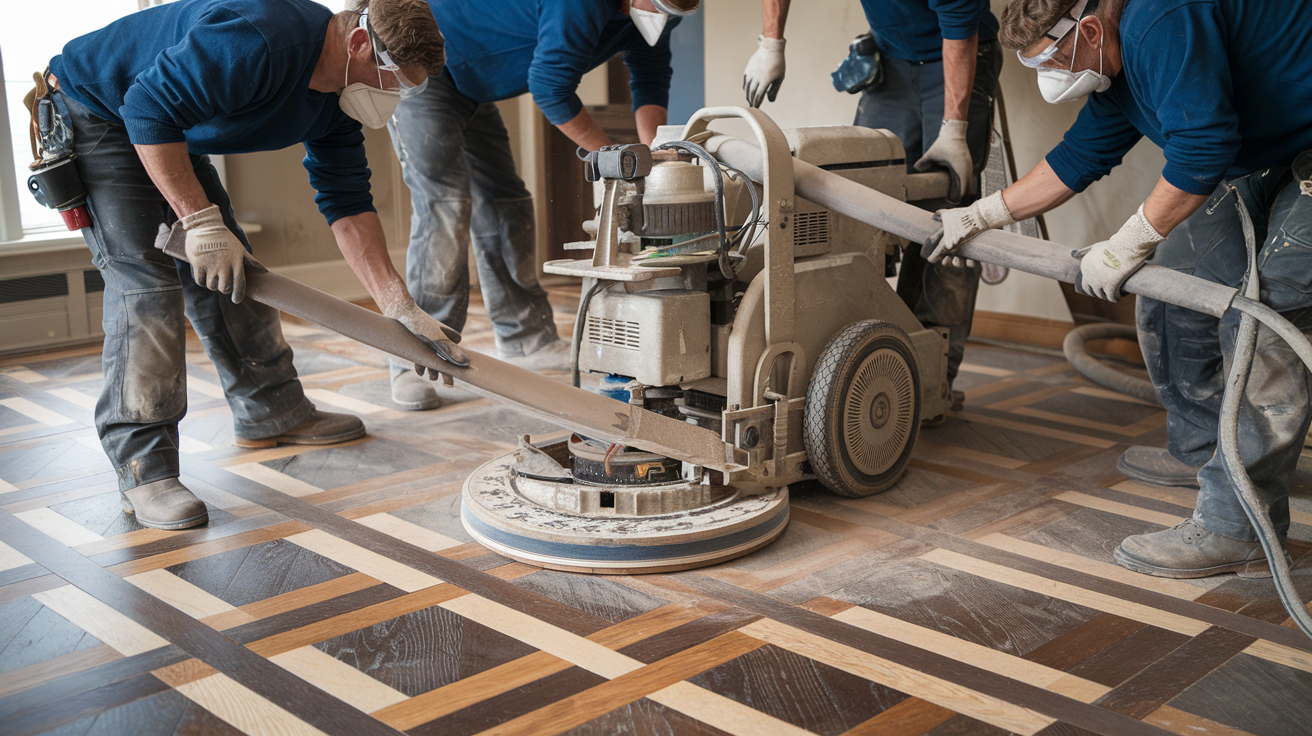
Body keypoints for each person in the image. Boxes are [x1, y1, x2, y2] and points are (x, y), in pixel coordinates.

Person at [930, 0, 1312, 578]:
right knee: (1172, 286)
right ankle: (1204, 451)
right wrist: (982, 215)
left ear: (1086, 27)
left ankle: (1239, 528)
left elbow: (1202, 146)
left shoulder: (1158, 19)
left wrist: (1126, 242)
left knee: (1263, 322)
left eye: (1054, 58)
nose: (1051, 78)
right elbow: (1081, 155)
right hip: (1260, 150)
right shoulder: (1117, 66)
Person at [39, 0, 455, 530]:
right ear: (358, 45)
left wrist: (398, 304)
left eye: (409, 89)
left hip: (164, 125)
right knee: (145, 287)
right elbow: (145, 107)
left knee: (233, 273)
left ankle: (272, 411)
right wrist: (201, 222)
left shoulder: (338, 99)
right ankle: (145, 469)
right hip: (99, 111)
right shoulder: (261, 39)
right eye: (394, 79)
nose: (394, 96)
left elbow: (348, 202)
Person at [387, 0, 696, 411]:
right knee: (446, 205)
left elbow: (651, 75)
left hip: (473, 82)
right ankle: (415, 357)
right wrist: (620, 160)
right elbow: (550, 85)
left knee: (506, 202)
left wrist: (655, 153)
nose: (664, 15)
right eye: (659, 5)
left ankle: (524, 337)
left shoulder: (658, 12)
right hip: (425, 68)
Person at [746, 0, 1003, 405]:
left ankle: (932, 381)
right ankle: (858, 355)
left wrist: (954, 128)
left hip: (958, 52)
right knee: (859, 195)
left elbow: (958, 25)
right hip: (892, 57)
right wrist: (771, 43)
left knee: (949, 217)